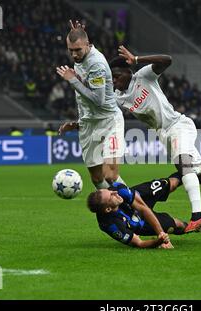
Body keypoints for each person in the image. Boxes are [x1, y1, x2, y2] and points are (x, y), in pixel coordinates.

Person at [109, 46, 201, 233]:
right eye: (112, 78)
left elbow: (167, 59)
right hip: (164, 135)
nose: (114, 81)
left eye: (116, 76)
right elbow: (101, 107)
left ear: (127, 71)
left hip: (178, 126)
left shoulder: (143, 76)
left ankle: (198, 216)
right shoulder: (118, 97)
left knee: (184, 166)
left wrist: (137, 58)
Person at [56, 20, 126, 190]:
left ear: (88, 45)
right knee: (97, 178)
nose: (73, 55)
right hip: (89, 124)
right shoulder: (81, 53)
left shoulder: (96, 65)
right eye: (70, 50)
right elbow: (86, 99)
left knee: (111, 176)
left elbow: (98, 100)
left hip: (108, 121)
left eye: (78, 50)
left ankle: (136, 208)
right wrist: (79, 123)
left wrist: (72, 80)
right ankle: (117, 211)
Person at [87, 173, 201, 249]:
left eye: (110, 191)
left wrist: (160, 232)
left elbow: (143, 208)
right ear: (108, 209)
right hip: (142, 223)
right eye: (111, 196)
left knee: (170, 184)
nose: (114, 192)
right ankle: (196, 227)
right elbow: (139, 243)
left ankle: (194, 171)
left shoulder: (118, 189)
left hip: (139, 199)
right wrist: (160, 240)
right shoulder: (110, 225)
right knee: (176, 225)